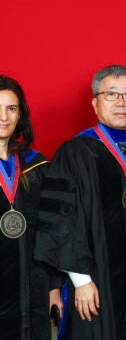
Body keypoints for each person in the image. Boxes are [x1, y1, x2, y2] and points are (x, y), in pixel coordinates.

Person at [34, 64, 126, 339]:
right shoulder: (74, 153)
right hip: (94, 284)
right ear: (95, 102)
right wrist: (81, 281)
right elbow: (62, 219)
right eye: (111, 94)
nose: (120, 102)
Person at [0, 76, 63, 339]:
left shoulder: (37, 166)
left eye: (11, 108)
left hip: (35, 290)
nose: (3, 117)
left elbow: (52, 231)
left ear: (20, 114)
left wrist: (53, 289)